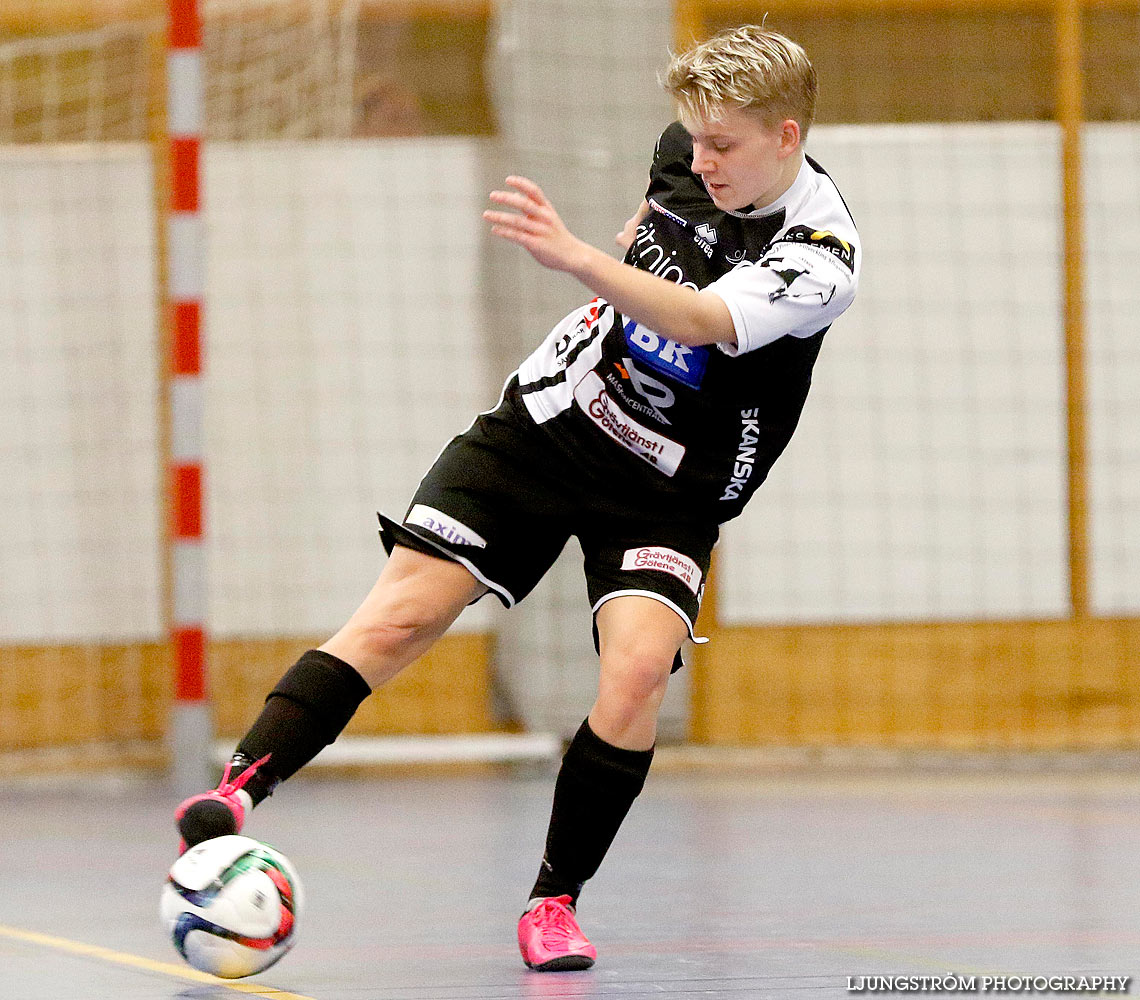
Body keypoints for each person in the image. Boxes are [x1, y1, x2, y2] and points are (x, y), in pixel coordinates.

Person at [174, 24, 860, 972]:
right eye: (693, 140)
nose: (702, 162)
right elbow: (657, 235)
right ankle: (235, 795)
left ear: (787, 136)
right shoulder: (684, 162)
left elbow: (702, 320)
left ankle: (553, 901)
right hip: (552, 426)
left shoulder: (821, 251)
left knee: (635, 675)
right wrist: (631, 243)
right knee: (404, 615)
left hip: (668, 490)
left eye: (726, 146)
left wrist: (581, 259)